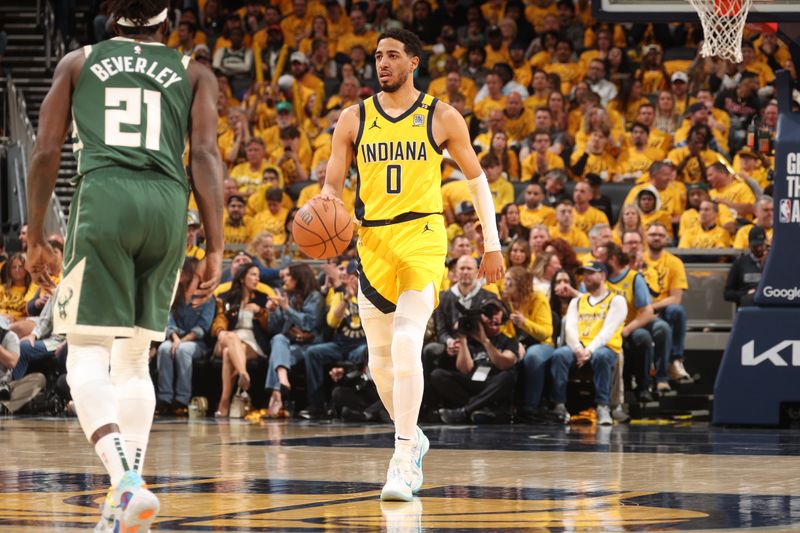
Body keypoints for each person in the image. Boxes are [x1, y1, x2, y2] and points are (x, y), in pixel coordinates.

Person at [23, 2, 224, 530]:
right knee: (135, 358)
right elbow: (204, 155)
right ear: (168, 22)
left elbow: (45, 152)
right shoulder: (195, 71)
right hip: (167, 206)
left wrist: (36, 232)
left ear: (111, 20)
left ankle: (125, 480)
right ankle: (125, 495)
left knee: (85, 351)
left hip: (105, 196)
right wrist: (218, 247)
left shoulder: (77, 62)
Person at [317, 28, 504, 502]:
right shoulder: (352, 118)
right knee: (379, 361)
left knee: (405, 341)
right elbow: (331, 190)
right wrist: (323, 216)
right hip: (371, 240)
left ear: (414, 62)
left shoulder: (440, 115)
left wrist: (492, 243)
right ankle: (412, 435)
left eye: (393, 55)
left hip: (422, 235)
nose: (383, 63)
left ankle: (403, 456)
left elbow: (478, 182)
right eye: (378, 56)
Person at [550, 261, 626, 426]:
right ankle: (559, 405)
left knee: (601, 356)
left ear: (603, 276)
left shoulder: (617, 300)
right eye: (584, 274)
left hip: (605, 348)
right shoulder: (577, 301)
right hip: (580, 348)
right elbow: (570, 329)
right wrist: (578, 349)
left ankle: (603, 406)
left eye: (591, 273)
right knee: (559, 355)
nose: (586, 277)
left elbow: (607, 332)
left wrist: (588, 351)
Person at [155, 258, 215, 415]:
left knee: (182, 350)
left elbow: (202, 327)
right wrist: (175, 338)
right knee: (163, 349)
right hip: (176, 338)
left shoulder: (207, 298)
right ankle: (164, 398)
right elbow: (169, 320)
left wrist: (181, 341)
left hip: (198, 343)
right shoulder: (176, 296)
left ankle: (182, 399)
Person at [724, 226, 769, 308]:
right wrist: (746, 293)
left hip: (768, 304)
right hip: (747, 306)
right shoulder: (740, 263)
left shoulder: (772, 262)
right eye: (755, 246)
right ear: (749, 245)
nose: (759, 249)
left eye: (761, 245)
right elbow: (727, 294)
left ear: (766, 243)